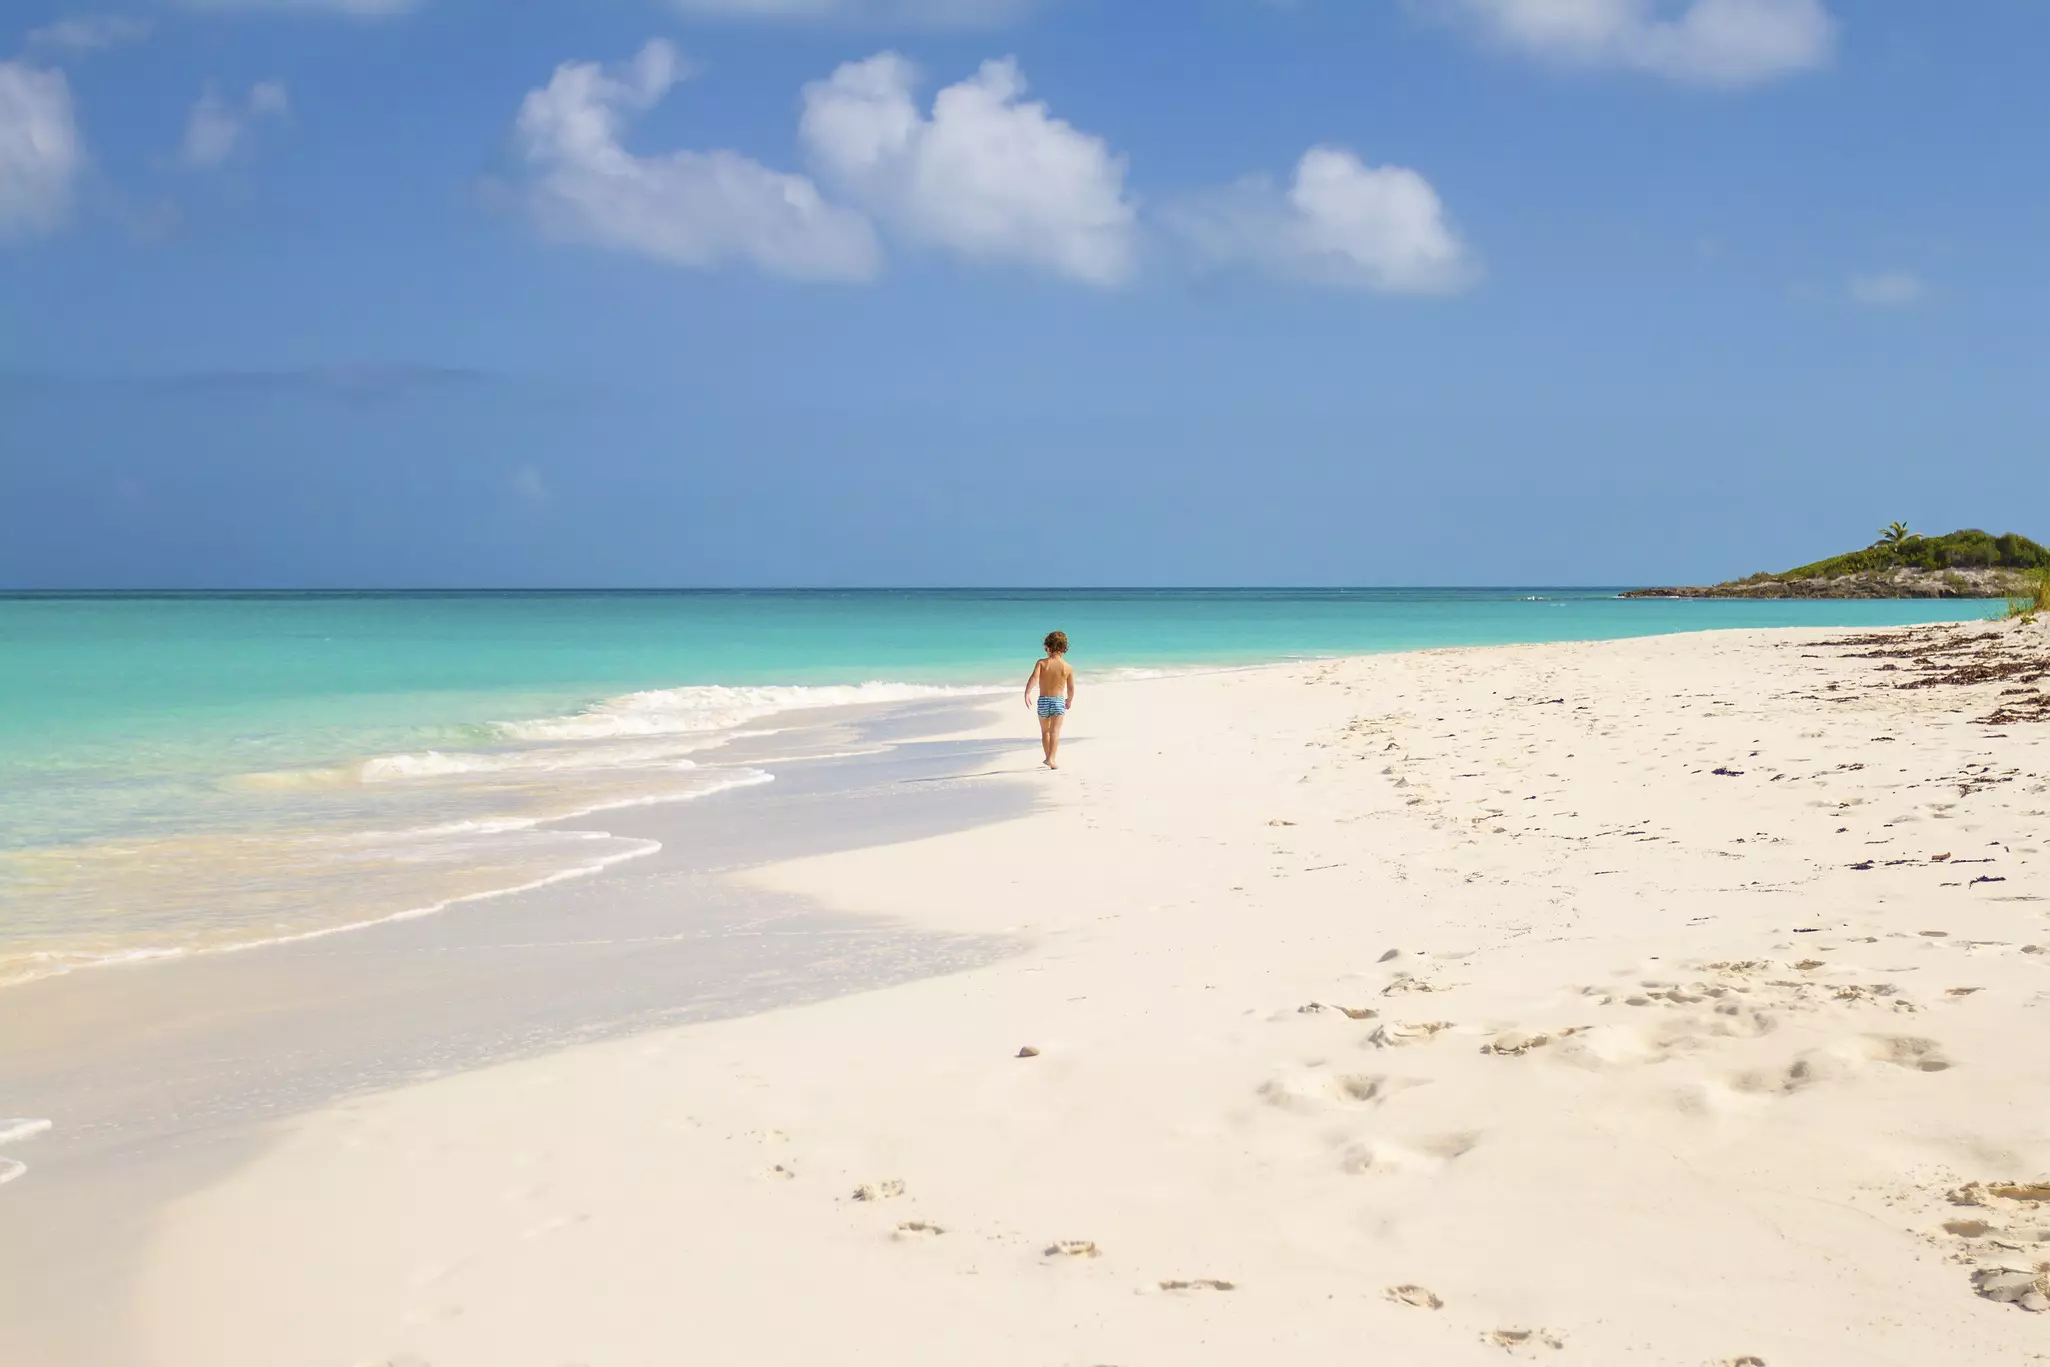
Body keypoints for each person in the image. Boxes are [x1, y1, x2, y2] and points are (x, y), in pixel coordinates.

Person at [1025, 630, 1076, 770]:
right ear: (1063, 648)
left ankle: (1048, 756)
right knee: (1055, 732)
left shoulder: (1041, 663)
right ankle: (1051, 758)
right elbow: (1071, 688)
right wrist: (1069, 700)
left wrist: (1027, 692)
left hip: (1043, 701)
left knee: (1045, 732)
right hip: (1058, 701)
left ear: (1048, 647)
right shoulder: (1067, 667)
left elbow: (1034, 678)